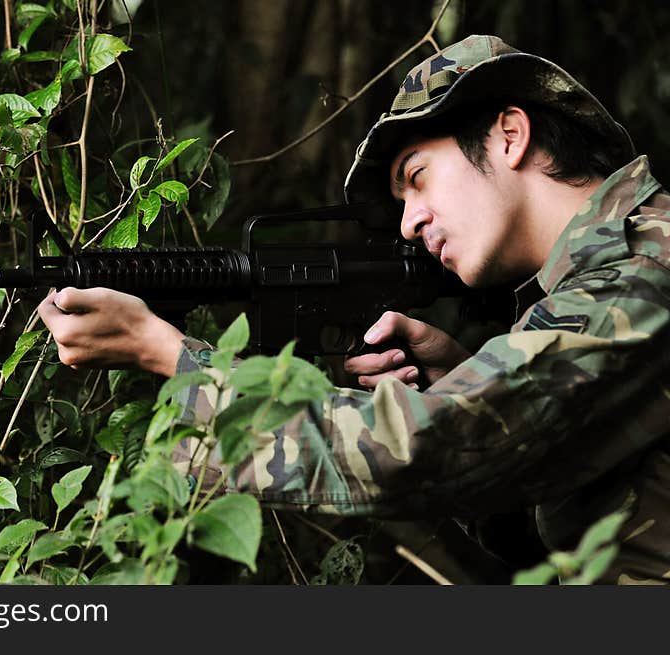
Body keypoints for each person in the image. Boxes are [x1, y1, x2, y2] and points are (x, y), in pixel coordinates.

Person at [38, 35, 670, 584]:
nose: (408, 222)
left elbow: (419, 449)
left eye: (417, 176)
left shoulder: (641, 268)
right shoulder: (600, 278)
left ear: (510, 135)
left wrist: (172, 358)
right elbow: (552, 532)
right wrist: (464, 379)